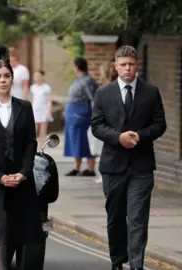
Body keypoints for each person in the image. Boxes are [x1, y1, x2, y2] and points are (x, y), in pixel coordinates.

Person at [91, 45, 166, 270]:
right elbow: (96, 125)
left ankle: (136, 265)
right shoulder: (103, 93)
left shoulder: (151, 92)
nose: (127, 68)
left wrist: (140, 136)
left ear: (137, 65)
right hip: (113, 166)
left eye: (131, 64)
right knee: (115, 218)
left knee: (137, 218)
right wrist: (118, 137)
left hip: (141, 166)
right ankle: (117, 261)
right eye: (123, 64)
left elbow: (160, 124)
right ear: (115, 66)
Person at [0, 59, 45, 269]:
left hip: (19, 178)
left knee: (17, 226)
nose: (3, 80)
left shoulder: (25, 107)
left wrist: (23, 173)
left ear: (12, 79)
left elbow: (31, 142)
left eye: (6, 76)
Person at [63, 57, 98, 176]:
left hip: (81, 113)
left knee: (85, 139)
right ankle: (76, 167)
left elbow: (93, 99)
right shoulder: (78, 79)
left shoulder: (87, 80)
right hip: (72, 113)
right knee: (74, 139)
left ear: (77, 66)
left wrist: (95, 115)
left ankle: (90, 168)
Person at [29, 69, 53, 142]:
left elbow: (49, 101)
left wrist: (48, 112)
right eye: (35, 76)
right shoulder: (32, 87)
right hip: (35, 110)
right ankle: (33, 148)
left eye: (39, 76)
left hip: (44, 110)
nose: (37, 78)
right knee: (33, 131)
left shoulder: (46, 87)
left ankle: (41, 149)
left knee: (42, 132)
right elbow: (31, 100)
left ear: (42, 77)